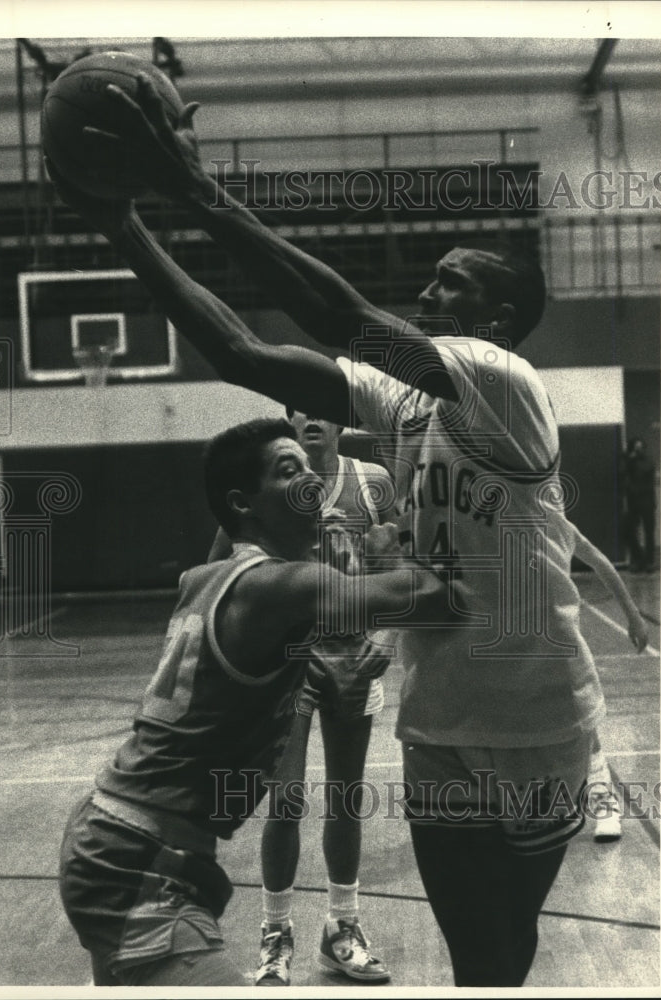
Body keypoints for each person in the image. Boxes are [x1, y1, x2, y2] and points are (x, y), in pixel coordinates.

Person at [48, 76, 607, 986]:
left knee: (508, 951)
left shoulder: (503, 382)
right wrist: (124, 229)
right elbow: (244, 355)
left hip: (538, 717)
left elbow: (346, 320)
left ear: (498, 322)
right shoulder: (406, 400)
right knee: (477, 957)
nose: (427, 291)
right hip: (436, 728)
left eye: (450, 285)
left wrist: (197, 191)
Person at [58, 417, 451, 987]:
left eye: (308, 467)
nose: (311, 482)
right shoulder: (286, 586)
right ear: (245, 504)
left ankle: (333, 924)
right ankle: (280, 931)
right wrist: (416, 535)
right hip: (135, 858)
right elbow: (432, 595)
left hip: (122, 835)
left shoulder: (205, 578)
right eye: (289, 472)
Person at [211, 411, 396, 985]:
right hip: (286, 663)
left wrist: (383, 639)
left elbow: (401, 569)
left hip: (350, 659)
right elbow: (217, 569)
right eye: (298, 410)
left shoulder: (370, 483)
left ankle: (342, 926)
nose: (310, 419)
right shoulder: (266, 492)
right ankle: (276, 932)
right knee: (285, 799)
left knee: (346, 797)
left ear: (340, 422)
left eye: (320, 410)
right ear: (289, 422)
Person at [558, 516, 649, 842]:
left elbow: (603, 565)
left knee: (585, 727)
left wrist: (634, 617)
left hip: (560, 644)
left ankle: (603, 801)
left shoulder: (556, 523)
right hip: (515, 647)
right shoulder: (495, 527)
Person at [621, 438, 657, 572]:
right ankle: (639, 559)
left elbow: (646, 471)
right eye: (636, 448)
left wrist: (633, 460)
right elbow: (622, 472)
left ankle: (649, 562)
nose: (638, 451)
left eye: (640, 448)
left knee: (649, 532)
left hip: (646, 501)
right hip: (633, 502)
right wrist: (630, 460)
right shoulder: (628, 460)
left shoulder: (647, 460)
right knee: (629, 531)